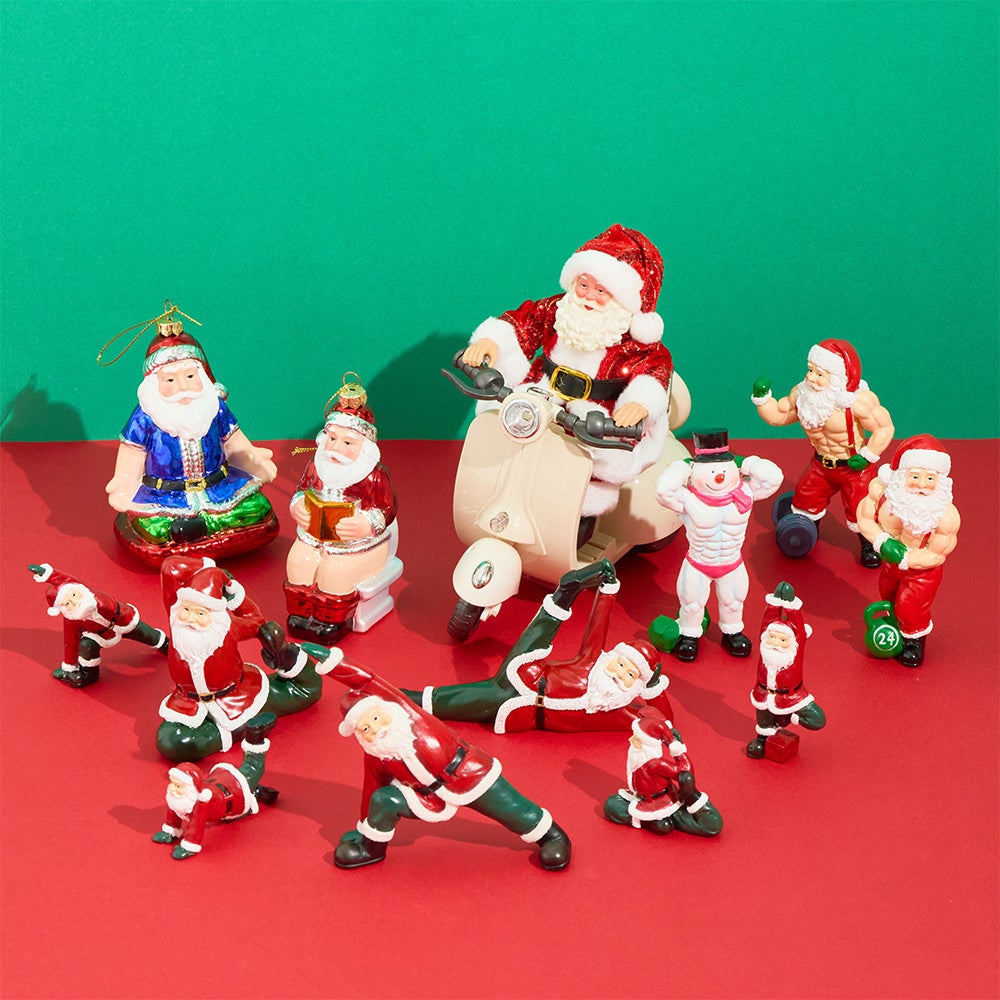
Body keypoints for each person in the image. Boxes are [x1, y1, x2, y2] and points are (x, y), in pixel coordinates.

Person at [461, 224, 675, 518]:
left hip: (598, 411)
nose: (588, 296)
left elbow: (654, 368)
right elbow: (528, 321)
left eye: (601, 291)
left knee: (601, 458)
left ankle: (580, 513)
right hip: (542, 390)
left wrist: (640, 402)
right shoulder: (559, 309)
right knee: (503, 425)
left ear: (622, 297)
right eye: (584, 285)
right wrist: (493, 341)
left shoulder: (633, 339)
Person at [328, 657, 572, 871]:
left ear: (389, 708)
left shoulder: (413, 717)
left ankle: (552, 836)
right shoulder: (377, 753)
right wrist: (365, 828)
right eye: (365, 729)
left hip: (467, 772)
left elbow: (368, 680)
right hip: (426, 796)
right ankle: (371, 847)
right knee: (383, 799)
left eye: (376, 718)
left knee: (515, 810)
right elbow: (371, 788)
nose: (375, 729)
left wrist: (330, 662)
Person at [405, 561, 674, 734]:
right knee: (533, 648)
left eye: (630, 674)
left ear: (637, 687)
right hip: (529, 677)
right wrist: (608, 590)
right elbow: (597, 627)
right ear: (610, 657)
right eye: (621, 664)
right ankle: (564, 594)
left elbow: (663, 722)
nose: (619, 674)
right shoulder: (593, 663)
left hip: (521, 714)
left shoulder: (616, 712)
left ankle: (405, 700)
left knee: (451, 703)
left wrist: (653, 686)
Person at [105, 318, 278, 552]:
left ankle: (197, 528)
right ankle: (198, 527)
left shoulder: (214, 406)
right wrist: (124, 483)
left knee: (258, 507)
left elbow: (235, 443)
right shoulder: (145, 417)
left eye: (190, 377)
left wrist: (253, 460)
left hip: (219, 489)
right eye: (170, 380)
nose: (182, 386)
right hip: (165, 497)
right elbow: (132, 455)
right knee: (154, 530)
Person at [156, 555, 332, 762]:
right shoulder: (176, 620)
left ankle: (239, 723)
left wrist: (235, 594)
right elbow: (170, 567)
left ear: (217, 617)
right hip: (187, 703)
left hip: (237, 697)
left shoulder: (227, 626)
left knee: (306, 692)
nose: (190, 619)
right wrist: (211, 569)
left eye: (200, 614)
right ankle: (237, 730)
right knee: (173, 742)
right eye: (186, 610)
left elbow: (254, 620)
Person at [751, 339, 894, 566]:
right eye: (810, 370)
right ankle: (807, 530)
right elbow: (779, 414)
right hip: (821, 465)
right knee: (805, 499)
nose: (811, 378)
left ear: (837, 379)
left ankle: (868, 543)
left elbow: (884, 428)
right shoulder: (803, 395)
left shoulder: (857, 401)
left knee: (861, 509)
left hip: (853, 468)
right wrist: (763, 399)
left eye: (820, 374)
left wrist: (868, 455)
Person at [284, 382, 400, 642]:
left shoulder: (373, 476)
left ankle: (332, 620)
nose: (335, 448)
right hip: (314, 536)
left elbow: (387, 507)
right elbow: (302, 489)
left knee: (334, 571)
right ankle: (302, 615)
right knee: (299, 561)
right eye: (332, 438)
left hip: (359, 544)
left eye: (348, 442)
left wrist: (366, 524)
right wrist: (298, 506)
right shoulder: (316, 466)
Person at [655, 429, 783, 663]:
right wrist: (682, 467)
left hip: (731, 562)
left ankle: (732, 632)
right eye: (711, 470)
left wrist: (748, 463)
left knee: (733, 602)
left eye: (724, 468)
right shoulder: (688, 499)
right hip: (698, 563)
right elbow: (663, 491)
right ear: (694, 471)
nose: (719, 476)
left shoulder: (745, 493)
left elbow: (774, 477)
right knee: (692, 604)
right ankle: (689, 635)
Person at [856, 434, 960, 667]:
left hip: (922, 573)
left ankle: (914, 641)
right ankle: (896, 630)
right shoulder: (883, 495)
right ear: (902, 475)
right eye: (915, 477)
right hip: (889, 565)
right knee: (889, 597)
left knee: (910, 607)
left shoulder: (945, 515)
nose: (922, 485)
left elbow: (937, 554)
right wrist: (882, 541)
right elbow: (864, 518)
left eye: (930, 478)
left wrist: (906, 557)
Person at [153, 713, 277, 859]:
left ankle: (256, 736)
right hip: (220, 780)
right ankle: (255, 791)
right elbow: (174, 810)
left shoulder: (200, 802)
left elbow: (196, 827)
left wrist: (189, 846)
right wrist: (170, 830)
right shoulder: (180, 797)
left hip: (234, 791)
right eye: (173, 783)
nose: (172, 788)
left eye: (178, 786)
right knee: (250, 771)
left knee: (252, 769)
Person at [29, 563, 168, 687]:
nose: (74, 602)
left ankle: (164, 644)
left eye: (73, 596)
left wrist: (48, 574)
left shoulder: (90, 595)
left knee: (146, 634)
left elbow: (65, 579)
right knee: (86, 645)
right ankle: (89, 673)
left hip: (123, 620)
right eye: (67, 603)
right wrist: (69, 666)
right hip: (101, 635)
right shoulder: (72, 619)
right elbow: (70, 643)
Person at [603, 706, 723, 837]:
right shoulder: (641, 759)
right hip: (643, 800)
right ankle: (653, 822)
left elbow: (686, 772)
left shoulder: (656, 764)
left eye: (638, 739)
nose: (633, 742)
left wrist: (678, 749)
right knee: (611, 804)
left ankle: (660, 820)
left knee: (712, 824)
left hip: (664, 801)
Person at [746, 582, 826, 759]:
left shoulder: (794, 651)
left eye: (782, 640)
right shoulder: (765, 649)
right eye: (772, 638)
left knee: (817, 719)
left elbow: (797, 629)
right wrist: (774, 603)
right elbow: (767, 622)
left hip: (792, 697)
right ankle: (763, 739)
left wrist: (790, 605)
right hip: (763, 694)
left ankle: (788, 717)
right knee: (764, 722)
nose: (775, 643)